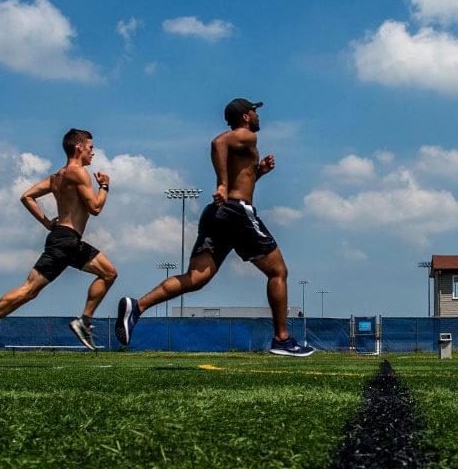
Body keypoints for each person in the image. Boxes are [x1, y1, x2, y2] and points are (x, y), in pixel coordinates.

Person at [116, 98, 314, 356]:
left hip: (218, 214)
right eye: (254, 112)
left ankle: (137, 306)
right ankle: (282, 339)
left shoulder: (244, 144)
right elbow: (217, 143)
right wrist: (221, 183)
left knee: (197, 278)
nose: (258, 116)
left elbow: (240, 176)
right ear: (245, 116)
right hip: (237, 212)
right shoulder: (245, 137)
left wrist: (259, 171)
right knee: (278, 272)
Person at [0, 128, 119, 356]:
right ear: (79, 148)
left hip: (62, 239)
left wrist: (48, 223)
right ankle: (83, 322)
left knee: (32, 290)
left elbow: (26, 196)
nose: (92, 152)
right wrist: (105, 187)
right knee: (104, 274)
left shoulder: (57, 177)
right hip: (67, 241)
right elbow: (95, 208)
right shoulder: (78, 173)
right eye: (90, 147)